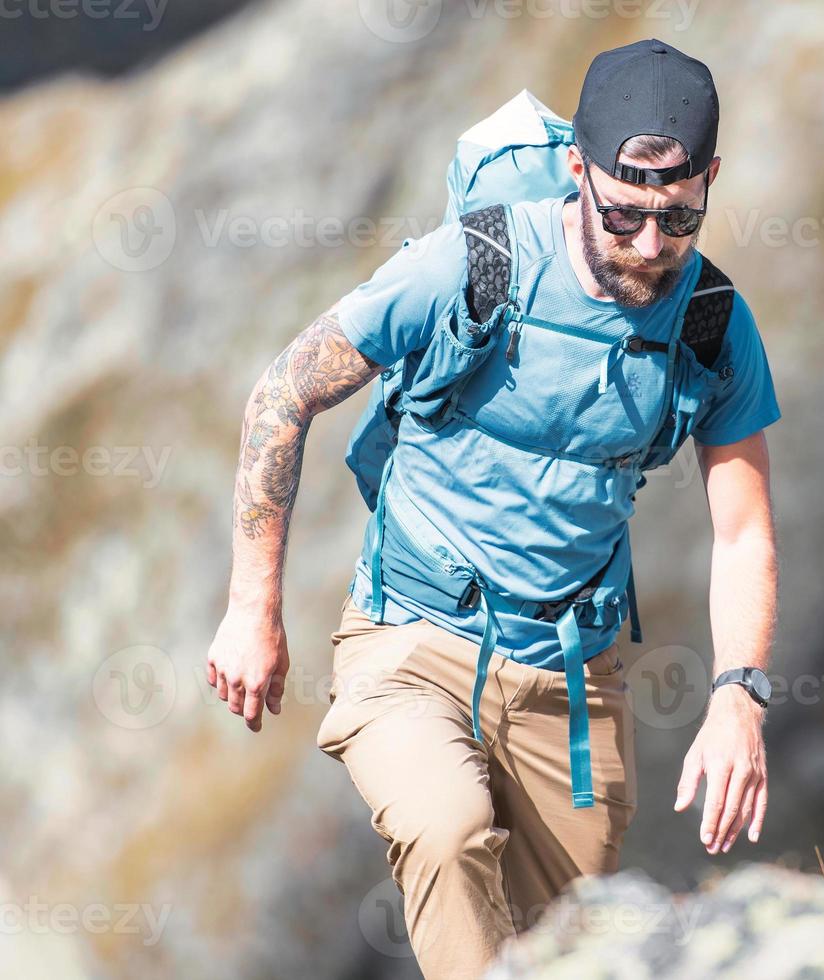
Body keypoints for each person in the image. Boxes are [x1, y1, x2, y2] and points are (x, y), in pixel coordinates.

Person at [205, 38, 781, 977]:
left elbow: (744, 529)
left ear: (711, 178)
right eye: (624, 212)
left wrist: (739, 697)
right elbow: (284, 392)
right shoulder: (465, 267)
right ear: (575, 171)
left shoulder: (714, 323)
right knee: (446, 829)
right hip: (412, 641)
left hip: (573, 681)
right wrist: (250, 608)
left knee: (575, 946)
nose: (650, 246)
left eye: (678, 217)